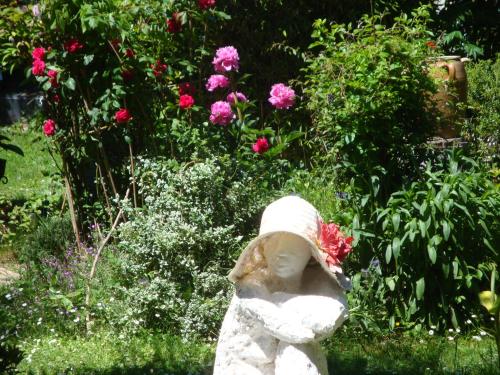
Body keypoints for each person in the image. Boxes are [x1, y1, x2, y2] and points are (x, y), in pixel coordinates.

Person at [214, 195, 353, 375]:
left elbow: (328, 316)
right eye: (273, 242)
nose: (281, 252)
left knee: (297, 351)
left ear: (311, 252)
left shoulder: (321, 287)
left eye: (293, 245)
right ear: (263, 248)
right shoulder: (251, 289)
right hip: (248, 369)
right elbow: (289, 328)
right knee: (297, 345)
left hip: (297, 364)